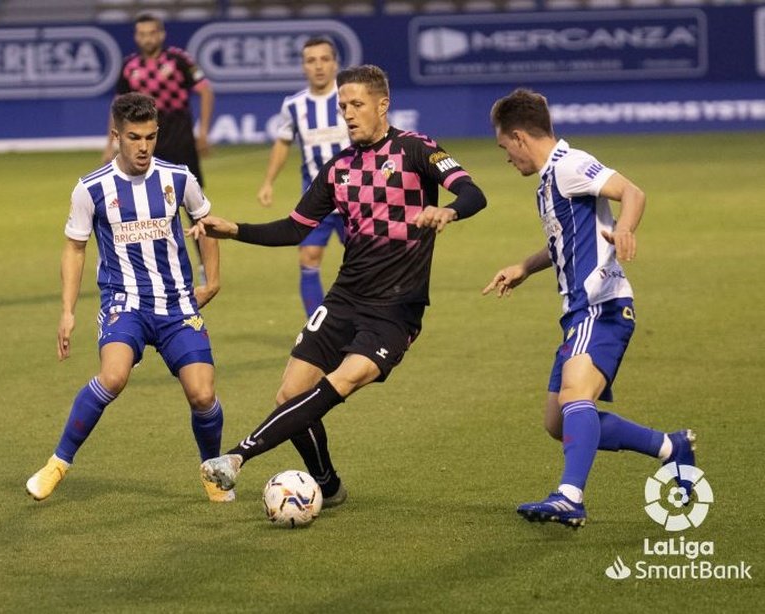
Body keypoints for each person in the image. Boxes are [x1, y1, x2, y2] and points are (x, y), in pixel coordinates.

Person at [193, 65, 487, 506]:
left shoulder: (416, 149)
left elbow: (472, 192)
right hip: (345, 298)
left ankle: (236, 457)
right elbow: (294, 228)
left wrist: (449, 211)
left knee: (339, 383)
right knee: (290, 393)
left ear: (382, 105)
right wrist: (234, 229)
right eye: (342, 106)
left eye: (356, 105)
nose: (347, 114)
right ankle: (327, 486)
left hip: (395, 309)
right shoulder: (339, 168)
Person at [483, 88, 696, 528]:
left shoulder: (570, 165)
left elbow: (632, 192)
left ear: (520, 137)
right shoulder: (549, 182)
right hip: (578, 313)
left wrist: (627, 230)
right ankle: (671, 448)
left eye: (505, 148)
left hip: (600, 305)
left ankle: (569, 496)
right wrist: (525, 265)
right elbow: (563, 240)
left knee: (576, 398)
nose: (508, 158)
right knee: (559, 423)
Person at [26, 93, 232, 504]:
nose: (143, 147)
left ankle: (213, 470)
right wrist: (67, 311)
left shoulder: (178, 178)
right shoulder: (91, 188)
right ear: (116, 135)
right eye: (134, 138)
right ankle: (58, 463)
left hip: (176, 304)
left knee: (203, 395)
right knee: (114, 376)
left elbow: (204, 222)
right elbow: (75, 248)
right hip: (125, 303)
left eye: (150, 137)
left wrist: (212, 281)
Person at [257, 37, 351, 317]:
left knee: (365, 261)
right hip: (317, 197)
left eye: (324, 59)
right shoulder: (294, 105)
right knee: (308, 258)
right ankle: (318, 327)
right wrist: (268, 182)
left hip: (355, 197)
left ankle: (372, 321)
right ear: (303, 67)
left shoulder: (350, 97)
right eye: (311, 61)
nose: (319, 66)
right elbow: (283, 142)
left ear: (335, 63)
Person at [103, 13, 213, 188]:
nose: (147, 39)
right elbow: (117, 108)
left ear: (161, 34)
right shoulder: (129, 66)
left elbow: (205, 91)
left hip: (180, 137)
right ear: (136, 37)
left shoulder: (179, 60)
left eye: (152, 33)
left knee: (192, 195)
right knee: (149, 195)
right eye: (142, 34)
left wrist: (203, 132)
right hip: (145, 139)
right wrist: (110, 145)